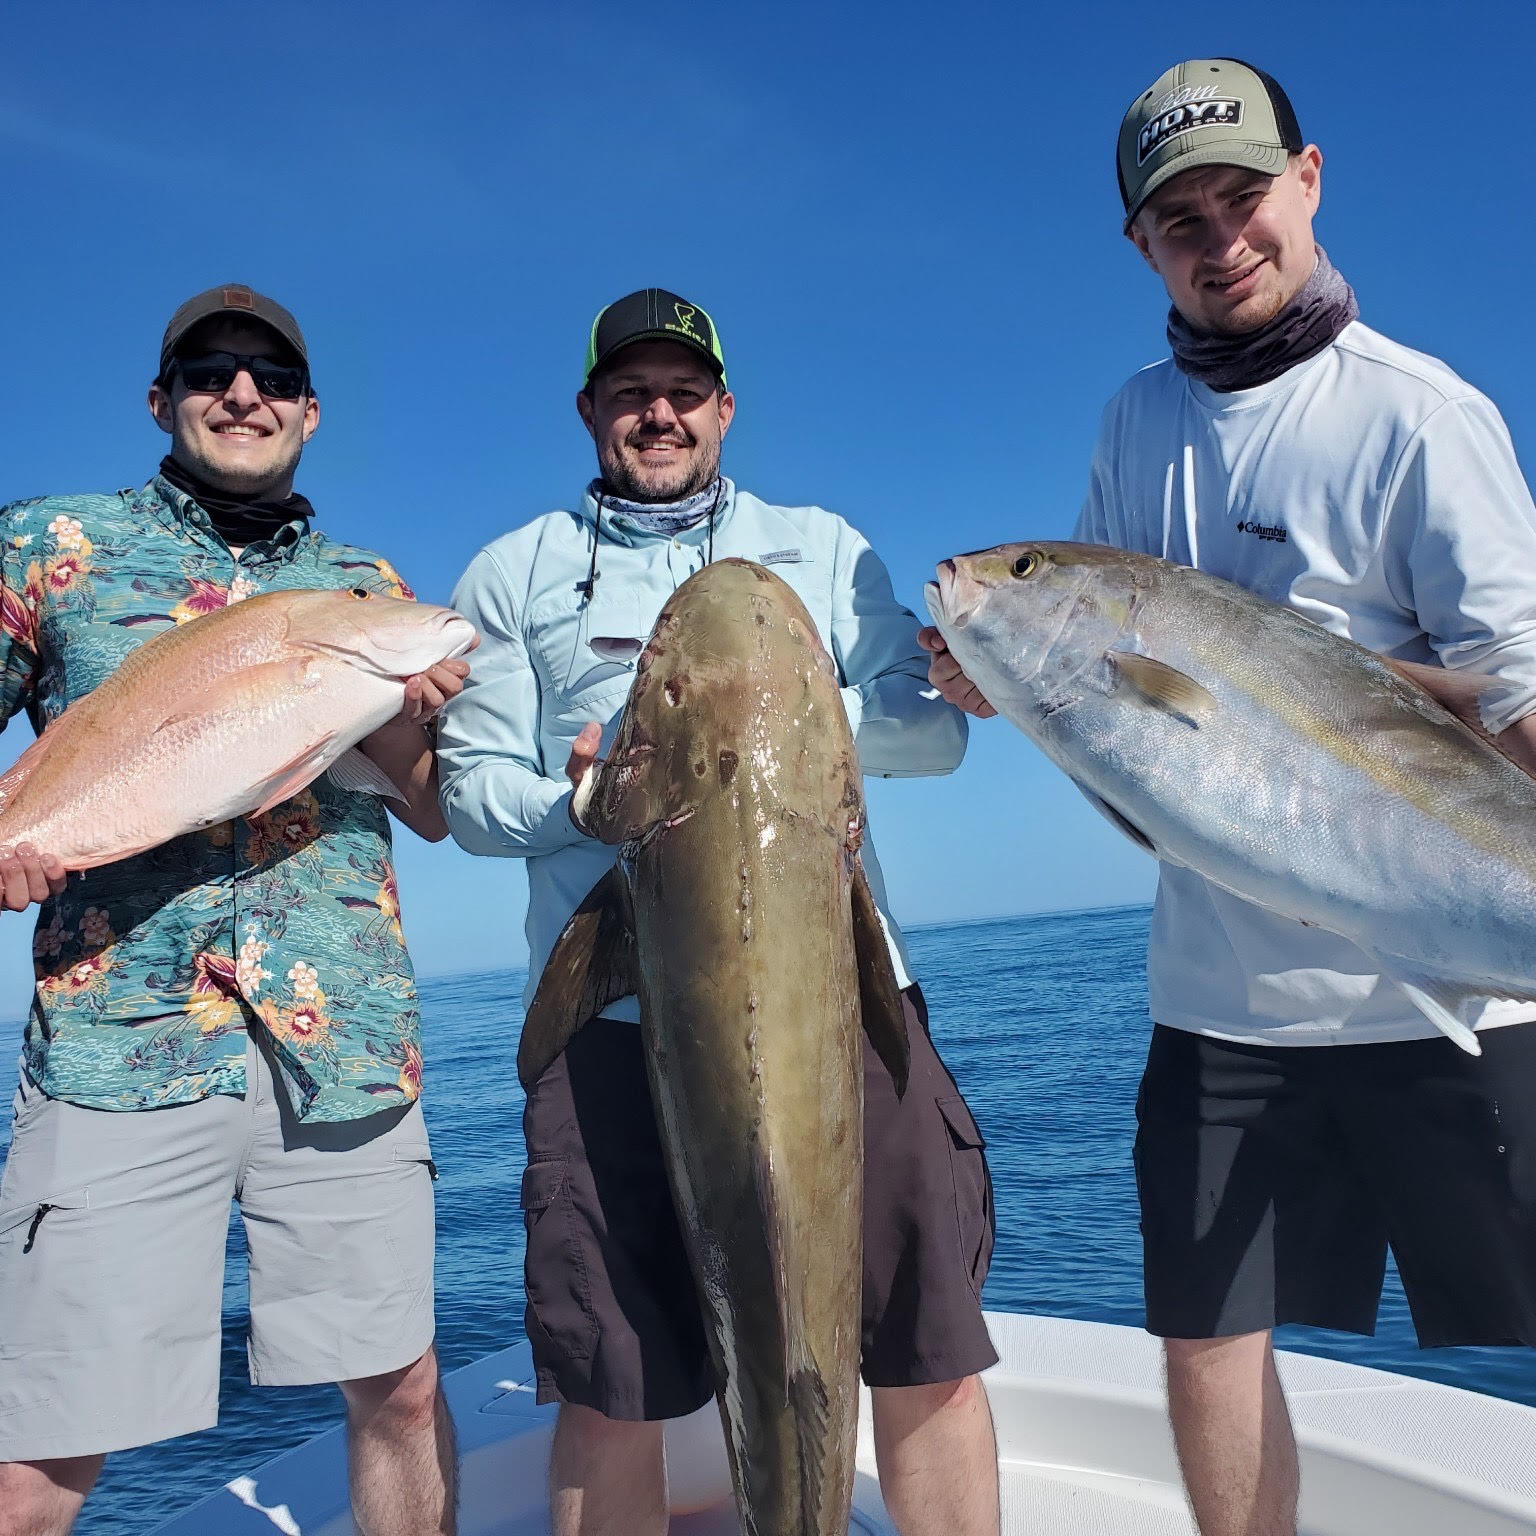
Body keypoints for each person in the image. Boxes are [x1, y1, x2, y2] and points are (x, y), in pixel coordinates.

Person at [923, 57, 1536, 1536]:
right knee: (1204, 1337)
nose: (1221, 237)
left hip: (1450, 988)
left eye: (1244, 198)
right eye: (1179, 217)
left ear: (1309, 182)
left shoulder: (1415, 416)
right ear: (1142, 245)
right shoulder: (1138, 422)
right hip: (1221, 1002)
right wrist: (994, 668)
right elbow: (1119, 691)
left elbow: (1518, 688)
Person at [437, 288, 1000, 1536]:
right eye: (632, 393)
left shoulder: (828, 543)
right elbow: (474, 796)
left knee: (927, 1349)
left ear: (724, 408)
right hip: (616, 1017)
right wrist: (587, 805)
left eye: (684, 392)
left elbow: (930, 733)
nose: (659, 414)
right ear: (590, 410)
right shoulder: (512, 575)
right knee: (609, 1383)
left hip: (848, 997)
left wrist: (775, 732)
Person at [0, 284, 465, 1536]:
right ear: (163, 402)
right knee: (37, 1453)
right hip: (120, 1042)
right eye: (210, 371)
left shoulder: (361, 585)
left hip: (345, 1043)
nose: (242, 392)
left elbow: (427, 810)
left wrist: (415, 708)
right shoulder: (48, 546)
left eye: (270, 376)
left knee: (406, 1392)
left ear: (310, 412)